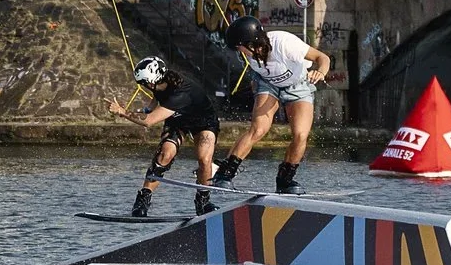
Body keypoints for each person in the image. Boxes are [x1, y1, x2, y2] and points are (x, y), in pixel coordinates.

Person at [212, 17, 333, 196]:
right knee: (259, 129)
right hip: (268, 84)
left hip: (298, 85)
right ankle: (224, 174)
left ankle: (285, 180)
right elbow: (259, 72)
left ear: (250, 42)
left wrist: (320, 72)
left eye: (240, 48)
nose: (240, 52)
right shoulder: (251, 52)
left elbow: (322, 58)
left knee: (300, 135)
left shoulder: (284, 43)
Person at [107, 57, 222, 220]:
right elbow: (154, 102)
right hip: (178, 120)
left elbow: (148, 122)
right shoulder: (161, 82)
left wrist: (122, 112)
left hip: (204, 123)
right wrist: (143, 109)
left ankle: (203, 201)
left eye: (144, 84)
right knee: (165, 155)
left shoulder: (180, 94)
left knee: (204, 160)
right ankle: (143, 200)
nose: (143, 86)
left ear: (151, 81)